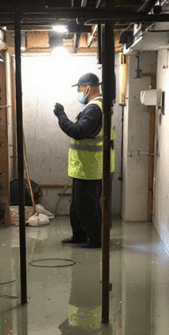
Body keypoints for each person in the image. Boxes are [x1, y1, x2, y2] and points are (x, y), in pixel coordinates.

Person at [53, 72, 114, 249]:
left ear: (88, 88)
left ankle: (95, 240)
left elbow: (78, 131)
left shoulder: (95, 108)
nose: (79, 92)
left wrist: (61, 116)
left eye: (80, 88)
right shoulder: (98, 106)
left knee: (87, 207)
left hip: (90, 167)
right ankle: (79, 235)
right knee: (77, 206)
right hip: (86, 167)